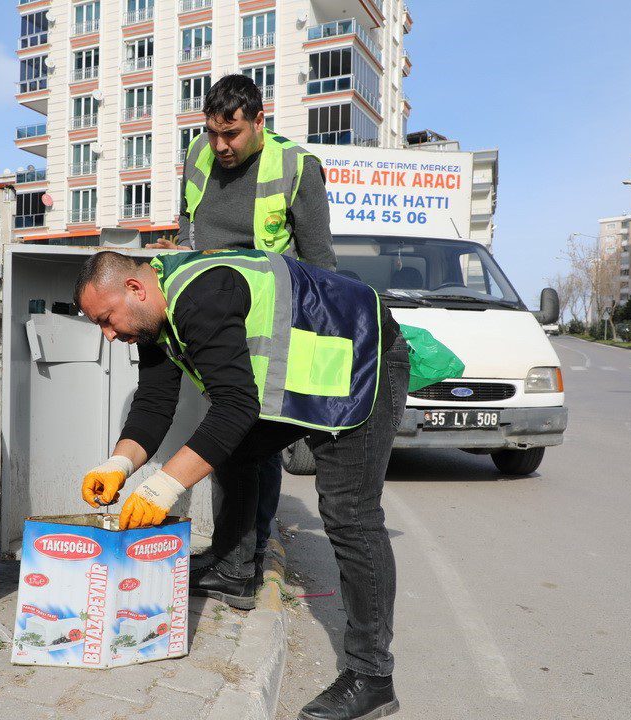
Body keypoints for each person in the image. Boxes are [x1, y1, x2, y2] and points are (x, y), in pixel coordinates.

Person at [75, 249, 409, 720]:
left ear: (134, 289)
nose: (110, 335)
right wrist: (117, 465)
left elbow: (235, 407)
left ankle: (372, 677)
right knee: (235, 446)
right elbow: (153, 403)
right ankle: (234, 570)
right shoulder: (154, 314)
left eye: (106, 320)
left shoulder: (200, 297)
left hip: (360, 360)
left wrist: (161, 488)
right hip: (305, 377)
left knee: (349, 514)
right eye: (100, 327)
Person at [148, 73, 337, 592]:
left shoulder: (296, 166)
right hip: (212, 317)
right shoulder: (197, 155)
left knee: (253, 438)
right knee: (233, 437)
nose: (220, 146)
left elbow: (320, 261)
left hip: (269, 325)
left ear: (259, 120)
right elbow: (187, 231)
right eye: (212, 132)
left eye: (230, 134)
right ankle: (235, 557)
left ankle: (245, 555)